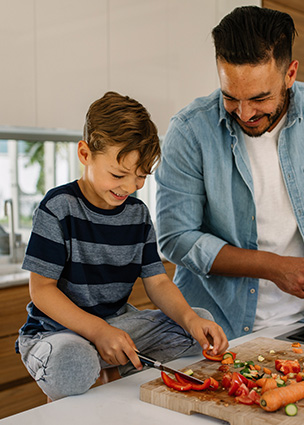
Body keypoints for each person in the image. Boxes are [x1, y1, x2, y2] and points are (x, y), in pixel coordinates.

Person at [155, 6, 304, 340]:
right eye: (231, 97)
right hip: (213, 328)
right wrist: (273, 266)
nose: (244, 113)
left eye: (260, 98)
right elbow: (175, 239)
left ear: (290, 74)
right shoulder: (189, 131)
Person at [16, 91, 228, 401]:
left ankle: (105, 368)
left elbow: (156, 281)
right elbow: (42, 290)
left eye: (141, 176)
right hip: (56, 332)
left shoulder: (137, 214)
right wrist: (98, 332)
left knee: (197, 325)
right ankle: (98, 368)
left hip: (116, 324)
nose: (129, 187)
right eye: (118, 174)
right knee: (73, 361)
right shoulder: (58, 207)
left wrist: (191, 319)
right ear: (85, 154)